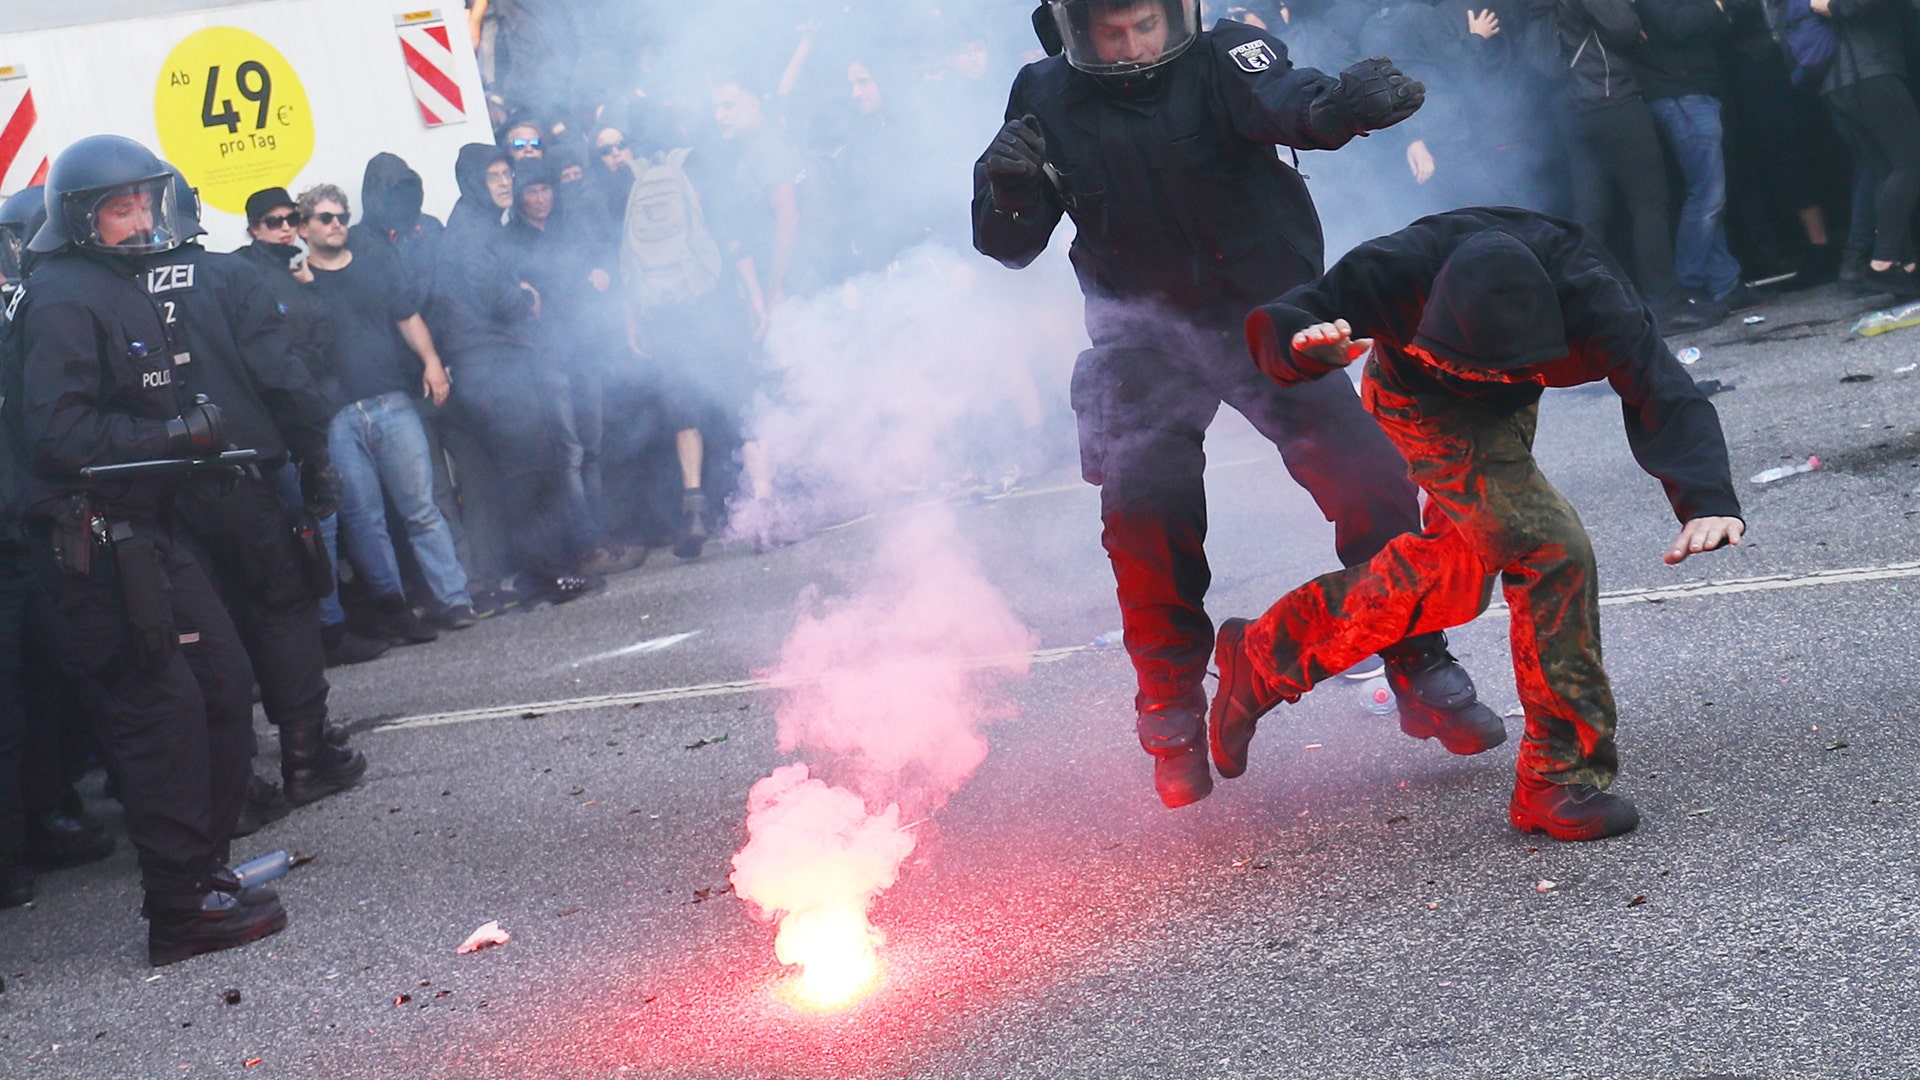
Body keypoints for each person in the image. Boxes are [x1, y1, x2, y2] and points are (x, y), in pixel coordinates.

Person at [975, 0, 1503, 809]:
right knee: (1142, 513)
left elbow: (1292, 102)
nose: (1131, 46)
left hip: (1262, 316)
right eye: (1109, 33)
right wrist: (1005, 186)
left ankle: (1416, 659)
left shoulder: (1228, 55)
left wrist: (1346, 107)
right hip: (1141, 336)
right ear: (1072, 29)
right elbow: (1010, 245)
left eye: (1145, 25)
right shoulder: (1043, 94)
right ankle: (1170, 707)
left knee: (1369, 475)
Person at [1211, 207, 1745, 841]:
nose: (1483, 377)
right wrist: (1302, 349)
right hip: (1420, 403)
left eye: (1498, 367)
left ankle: (1263, 653)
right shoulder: (1398, 267)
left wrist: (1707, 499)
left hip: (1506, 413)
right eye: (1474, 364)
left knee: (1458, 574)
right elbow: (1283, 319)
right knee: (1551, 548)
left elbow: (1665, 392)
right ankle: (1557, 777)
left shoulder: (1596, 298)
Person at [1, 134, 286, 962]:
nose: (139, 220)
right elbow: (57, 434)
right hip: (95, 543)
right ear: (81, 219)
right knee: (161, 715)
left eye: (144, 202)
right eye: (120, 207)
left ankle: (204, 871)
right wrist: (170, 433)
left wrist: (200, 444)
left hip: (148, 530)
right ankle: (179, 909)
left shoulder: (114, 285)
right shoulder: (61, 296)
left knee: (226, 688)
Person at [147, 168, 369, 831]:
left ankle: (235, 781)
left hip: (164, 496)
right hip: (242, 479)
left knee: (204, 638)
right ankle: (305, 759)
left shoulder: (118, 290)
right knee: (282, 608)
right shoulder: (228, 277)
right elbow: (281, 377)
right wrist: (313, 454)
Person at [298, 184, 473, 640]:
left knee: (422, 508)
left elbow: (408, 316)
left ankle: (455, 600)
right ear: (304, 228)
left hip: (391, 402)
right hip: (337, 417)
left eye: (340, 216)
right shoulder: (298, 284)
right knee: (366, 519)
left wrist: (433, 363)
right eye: (324, 217)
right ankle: (395, 610)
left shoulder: (374, 266)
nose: (336, 223)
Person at [235, 188, 389, 667]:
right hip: (285, 424)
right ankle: (330, 629)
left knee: (350, 513)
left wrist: (307, 287)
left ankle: (373, 610)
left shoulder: (291, 271)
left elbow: (318, 340)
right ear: (254, 229)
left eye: (289, 219)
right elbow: (275, 359)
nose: (283, 227)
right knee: (315, 524)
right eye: (272, 221)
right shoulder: (246, 275)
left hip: (318, 409)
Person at [435, 144, 596, 603]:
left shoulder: (480, 224)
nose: (506, 182)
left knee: (534, 466)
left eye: (507, 173)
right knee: (529, 471)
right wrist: (525, 297)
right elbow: (499, 299)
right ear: (473, 182)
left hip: (497, 362)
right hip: (492, 365)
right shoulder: (470, 232)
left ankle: (547, 567)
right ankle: (543, 574)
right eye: (494, 176)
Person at [1809, 0, 1920, 297]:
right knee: (1911, 163)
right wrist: (1833, 6)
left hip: (1839, 80)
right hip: (1867, 71)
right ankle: (1883, 263)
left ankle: (1904, 266)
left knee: (1887, 169)